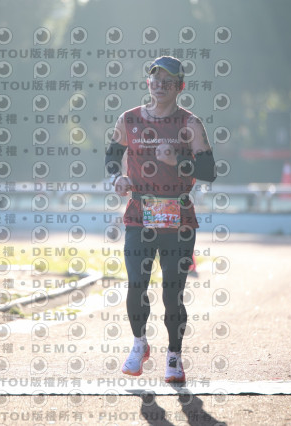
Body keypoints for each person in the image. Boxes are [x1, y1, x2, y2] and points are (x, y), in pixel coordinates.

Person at [104, 56, 217, 383]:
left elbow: (209, 171)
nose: (160, 86)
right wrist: (116, 179)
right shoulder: (128, 119)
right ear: (148, 83)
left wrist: (178, 160)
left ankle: (174, 356)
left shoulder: (190, 124)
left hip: (178, 218)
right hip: (139, 215)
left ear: (180, 86)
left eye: (168, 81)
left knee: (172, 292)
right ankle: (139, 343)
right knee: (136, 284)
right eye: (156, 80)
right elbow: (112, 155)